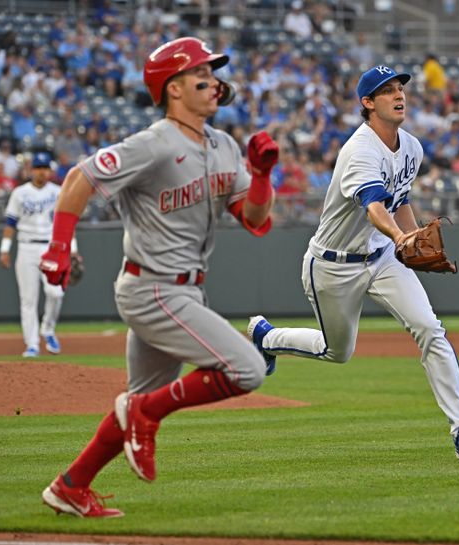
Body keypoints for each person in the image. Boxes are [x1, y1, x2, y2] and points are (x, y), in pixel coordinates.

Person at [38, 37, 279, 518]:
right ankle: (146, 416)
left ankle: (70, 485)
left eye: (213, 75)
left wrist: (260, 175)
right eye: (201, 75)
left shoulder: (222, 145)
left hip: (184, 288)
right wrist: (59, 246)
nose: (214, 83)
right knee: (248, 368)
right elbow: (78, 179)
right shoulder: (153, 144)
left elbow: (254, 219)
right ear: (173, 89)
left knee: (138, 398)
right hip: (153, 287)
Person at [246, 65, 459, 462]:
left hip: (382, 257)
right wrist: (401, 238)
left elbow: (399, 203)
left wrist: (411, 237)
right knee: (337, 351)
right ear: (367, 103)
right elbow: (375, 208)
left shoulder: (411, 147)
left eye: (400, 88)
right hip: (333, 264)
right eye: (386, 91)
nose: (398, 95)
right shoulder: (359, 151)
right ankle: (267, 338)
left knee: (430, 329)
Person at [0, 152, 73, 357]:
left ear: (50, 171)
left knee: (55, 292)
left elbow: (67, 223)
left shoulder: (59, 192)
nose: (41, 172)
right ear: (32, 170)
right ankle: (31, 344)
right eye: (38, 168)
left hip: (51, 249)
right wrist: (5, 249)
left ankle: (48, 329)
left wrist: (72, 249)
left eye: (44, 168)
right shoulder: (20, 193)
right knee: (28, 299)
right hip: (26, 247)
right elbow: (10, 223)